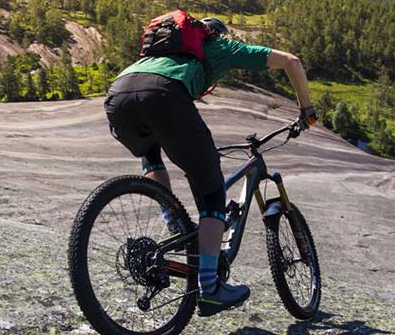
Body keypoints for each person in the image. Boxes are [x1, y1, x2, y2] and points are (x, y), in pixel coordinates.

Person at [103, 16, 316, 316]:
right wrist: (306, 109)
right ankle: (210, 287)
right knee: (212, 192)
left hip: (118, 94)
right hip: (163, 95)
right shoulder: (218, 46)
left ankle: (174, 221)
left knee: (151, 154)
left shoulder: (160, 51)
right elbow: (291, 62)